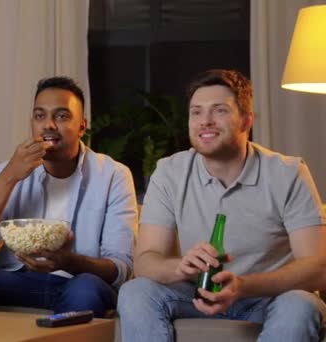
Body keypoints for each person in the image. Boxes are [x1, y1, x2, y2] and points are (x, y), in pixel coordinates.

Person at [118, 69, 326, 341]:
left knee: (301, 305)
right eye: (196, 112)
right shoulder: (170, 172)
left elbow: (317, 268)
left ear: (246, 120)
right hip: (195, 294)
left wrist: (244, 286)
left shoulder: (288, 173)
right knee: (135, 292)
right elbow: (146, 261)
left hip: (266, 299)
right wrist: (180, 267)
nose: (205, 121)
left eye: (219, 111)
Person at [0, 76, 137, 318]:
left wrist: (69, 261)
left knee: (87, 288)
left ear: (82, 126)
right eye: (40, 116)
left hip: (74, 283)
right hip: (15, 281)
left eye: (62, 116)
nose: (48, 125)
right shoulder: (7, 170)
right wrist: (9, 177)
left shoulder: (113, 175)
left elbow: (121, 268)